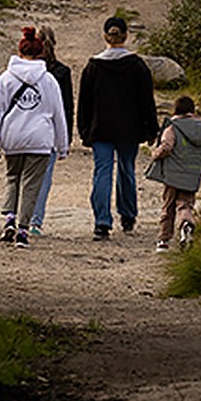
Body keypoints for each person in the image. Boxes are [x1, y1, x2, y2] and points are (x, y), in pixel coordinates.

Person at [76, 15, 159, 241]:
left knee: (102, 171)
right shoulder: (137, 66)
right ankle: (128, 215)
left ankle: (102, 222)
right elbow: (146, 102)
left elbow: (84, 103)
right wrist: (152, 129)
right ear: (126, 36)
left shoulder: (93, 66)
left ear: (104, 36)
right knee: (126, 169)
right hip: (129, 129)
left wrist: (84, 131)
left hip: (101, 128)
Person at [0, 27, 69, 248]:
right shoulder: (49, 80)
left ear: (20, 52)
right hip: (40, 140)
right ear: (41, 53)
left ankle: (9, 218)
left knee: (12, 178)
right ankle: (23, 230)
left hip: (12, 137)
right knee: (31, 184)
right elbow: (58, 114)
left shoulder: (6, 78)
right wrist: (62, 146)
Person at [147, 94, 201, 252]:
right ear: (193, 110)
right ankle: (186, 224)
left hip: (172, 175)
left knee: (168, 207)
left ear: (175, 111)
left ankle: (163, 241)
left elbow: (167, 147)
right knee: (185, 205)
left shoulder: (172, 128)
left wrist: (155, 154)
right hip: (191, 175)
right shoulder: (200, 130)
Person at [28, 25, 73, 237]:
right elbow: (66, 108)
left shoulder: (23, 70)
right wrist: (66, 138)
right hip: (49, 132)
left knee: (22, 176)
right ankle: (35, 220)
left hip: (24, 130)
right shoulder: (61, 72)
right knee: (44, 178)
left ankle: (19, 216)